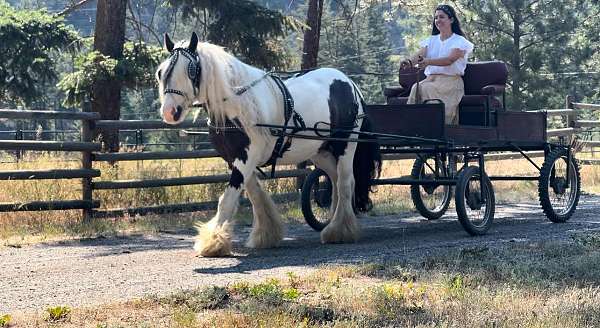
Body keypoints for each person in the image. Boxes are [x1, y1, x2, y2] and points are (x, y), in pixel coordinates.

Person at [400, 4, 474, 125]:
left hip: (450, 82)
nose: (438, 20)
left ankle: (434, 127)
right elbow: (419, 55)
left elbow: (449, 60)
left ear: (451, 20)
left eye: (441, 17)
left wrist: (428, 61)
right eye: (436, 18)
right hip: (431, 80)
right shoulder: (431, 40)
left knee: (427, 88)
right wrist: (409, 62)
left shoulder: (460, 41)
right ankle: (413, 126)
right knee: (416, 87)